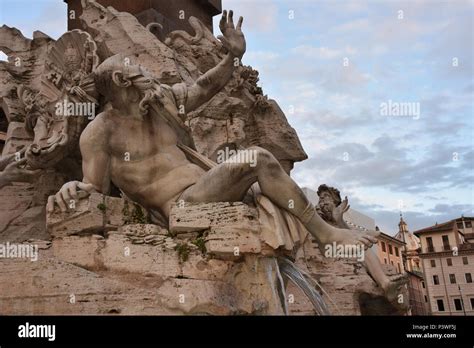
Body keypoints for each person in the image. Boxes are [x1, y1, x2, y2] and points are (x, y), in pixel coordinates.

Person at [47, 10, 379, 254]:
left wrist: (233, 56)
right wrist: (72, 188)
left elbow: (205, 87)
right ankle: (325, 234)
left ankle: (324, 233)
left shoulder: (160, 102)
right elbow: (95, 187)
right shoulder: (99, 132)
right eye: (134, 66)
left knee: (261, 163)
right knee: (259, 158)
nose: (143, 69)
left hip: (208, 184)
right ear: (121, 80)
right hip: (182, 206)